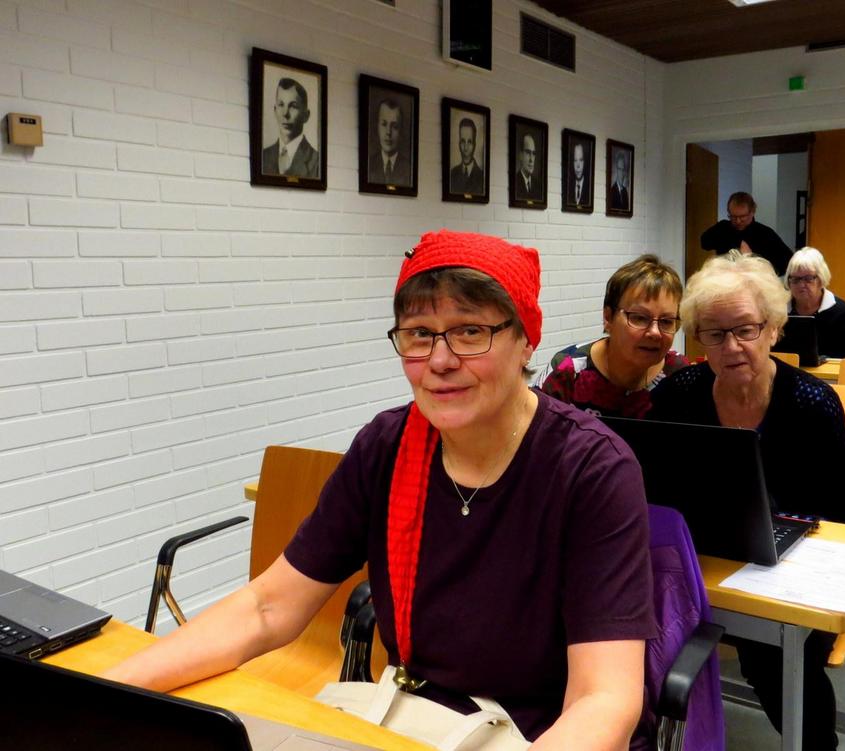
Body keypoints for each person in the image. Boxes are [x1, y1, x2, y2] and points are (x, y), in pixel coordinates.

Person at [104, 230, 656, 749]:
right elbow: (268, 607)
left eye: (470, 331)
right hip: (414, 717)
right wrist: (106, 691)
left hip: (541, 733)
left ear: (525, 340)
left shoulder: (592, 469)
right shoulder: (388, 448)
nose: (440, 361)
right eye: (419, 334)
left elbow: (603, 699)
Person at [654, 252, 845, 751]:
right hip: (701, 558)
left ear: (772, 329)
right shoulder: (678, 395)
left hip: (794, 566)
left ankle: (818, 745)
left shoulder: (813, 403)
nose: (731, 347)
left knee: (772, 653)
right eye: (714, 333)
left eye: (745, 330)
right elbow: (656, 491)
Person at [538, 254, 689, 418]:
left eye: (666, 321)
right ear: (608, 317)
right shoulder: (567, 371)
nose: (655, 332)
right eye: (639, 318)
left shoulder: (679, 373)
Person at [784, 246, 845, 358]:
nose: (801, 285)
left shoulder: (841, 311)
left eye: (808, 278)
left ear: (821, 279)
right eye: (795, 279)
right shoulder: (779, 310)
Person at [700, 191, 792, 276]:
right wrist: (738, 241)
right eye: (733, 216)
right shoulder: (723, 227)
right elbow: (704, 243)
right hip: (725, 280)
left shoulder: (765, 234)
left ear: (752, 212)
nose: (738, 221)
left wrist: (766, 273)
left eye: (742, 216)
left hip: (755, 281)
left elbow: (788, 262)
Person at [261, 77, 320, 179]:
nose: (285, 114)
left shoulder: (316, 161)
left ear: (306, 115)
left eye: (293, 106)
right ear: (275, 111)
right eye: (281, 105)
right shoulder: (263, 157)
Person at [368, 98, 411, 186]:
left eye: (394, 126)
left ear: (401, 131)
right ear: (377, 127)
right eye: (384, 124)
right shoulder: (369, 164)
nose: (388, 132)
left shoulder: (409, 168)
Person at [449, 117, 484, 195]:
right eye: (463, 141)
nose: (465, 147)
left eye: (469, 142)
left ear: (474, 144)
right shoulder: (452, 174)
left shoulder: (482, 176)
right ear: (459, 143)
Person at [516, 132, 543, 201]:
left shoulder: (538, 186)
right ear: (521, 155)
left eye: (533, 153)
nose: (531, 159)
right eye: (528, 152)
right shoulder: (515, 182)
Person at [569, 143, 590, 207]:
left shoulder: (589, 188)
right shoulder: (569, 186)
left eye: (581, 160)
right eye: (575, 160)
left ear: (585, 161)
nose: (578, 166)